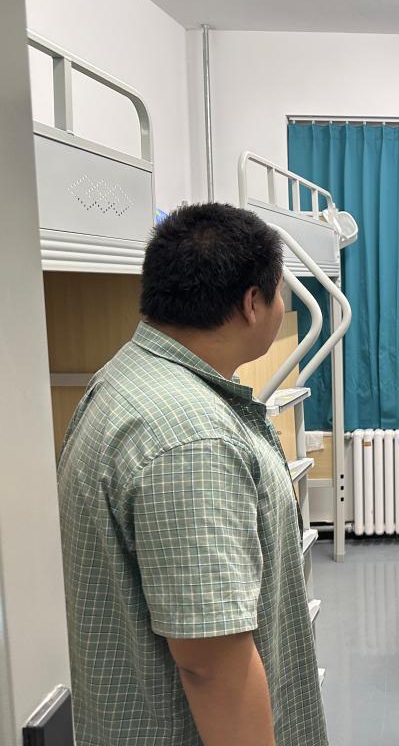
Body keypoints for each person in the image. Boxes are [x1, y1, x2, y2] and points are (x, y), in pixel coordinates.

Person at [57, 203, 327, 746]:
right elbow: (211, 665)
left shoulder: (129, 377)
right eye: (279, 294)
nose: (281, 308)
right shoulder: (193, 439)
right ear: (252, 303)